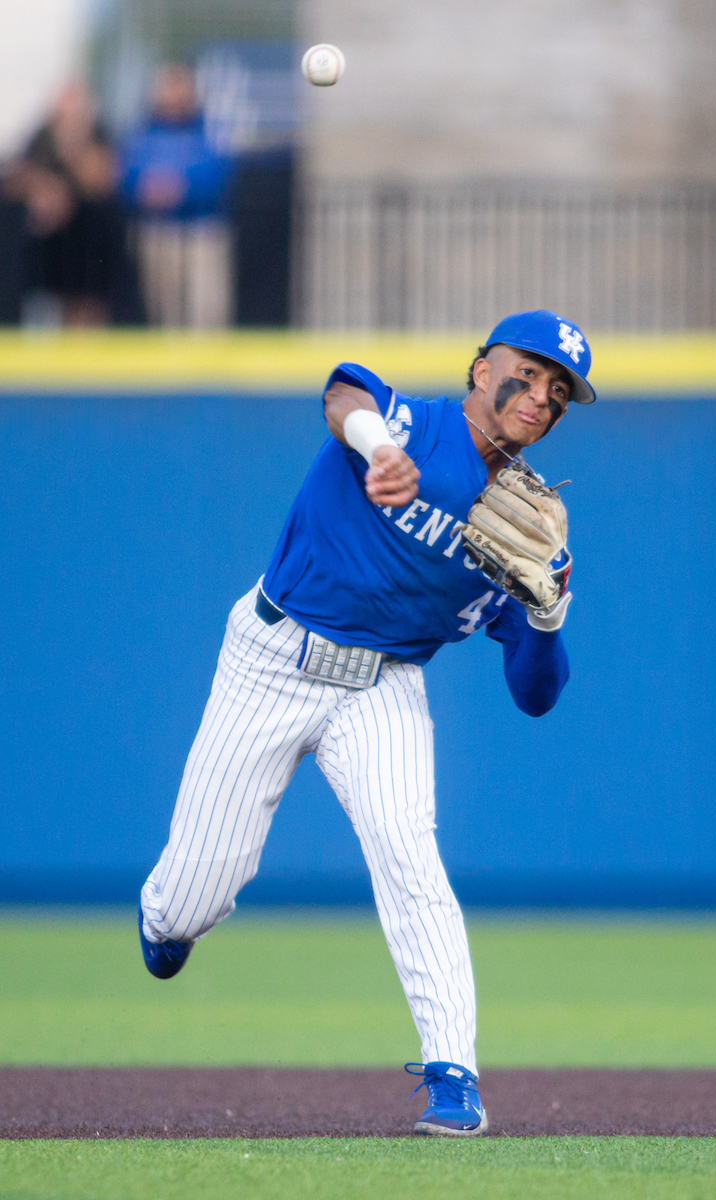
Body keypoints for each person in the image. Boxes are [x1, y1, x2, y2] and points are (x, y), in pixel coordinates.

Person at [138, 309, 596, 1135]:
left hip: (383, 686)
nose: (538, 396)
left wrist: (551, 614)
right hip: (272, 658)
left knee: (411, 857)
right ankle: (167, 921)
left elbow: (535, 694)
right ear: (480, 366)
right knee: (192, 902)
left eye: (557, 391)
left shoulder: (529, 532)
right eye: (525, 373)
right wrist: (379, 448)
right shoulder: (414, 426)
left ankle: (455, 1075)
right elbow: (343, 391)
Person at [118, 63, 232, 328]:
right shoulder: (141, 133)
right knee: (163, 311)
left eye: (180, 86)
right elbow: (127, 174)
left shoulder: (208, 130)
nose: (174, 94)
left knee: (205, 310)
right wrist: (146, 188)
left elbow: (218, 173)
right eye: (168, 86)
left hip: (200, 233)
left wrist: (182, 189)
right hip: (157, 232)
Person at [6, 81, 118, 326]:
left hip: (88, 242)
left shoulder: (97, 134)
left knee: (86, 306)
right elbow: (19, 174)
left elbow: (101, 179)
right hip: (51, 246)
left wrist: (73, 146)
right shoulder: (42, 135)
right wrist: (44, 188)